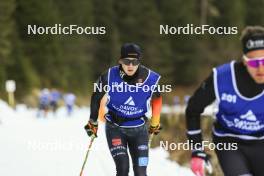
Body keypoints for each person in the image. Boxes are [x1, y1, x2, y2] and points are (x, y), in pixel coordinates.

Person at [186, 26, 264, 176]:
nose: (260, 68)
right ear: (245, 61)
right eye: (254, 63)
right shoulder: (222, 77)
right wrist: (197, 149)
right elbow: (193, 109)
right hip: (229, 140)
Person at [84, 43, 162, 176]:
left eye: (134, 61)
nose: (130, 65)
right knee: (122, 167)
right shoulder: (109, 75)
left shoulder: (150, 78)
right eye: (126, 61)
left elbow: (157, 99)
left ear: (139, 61)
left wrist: (155, 121)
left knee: (141, 172)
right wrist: (93, 120)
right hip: (115, 127)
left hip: (139, 129)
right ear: (120, 61)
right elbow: (96, 96)